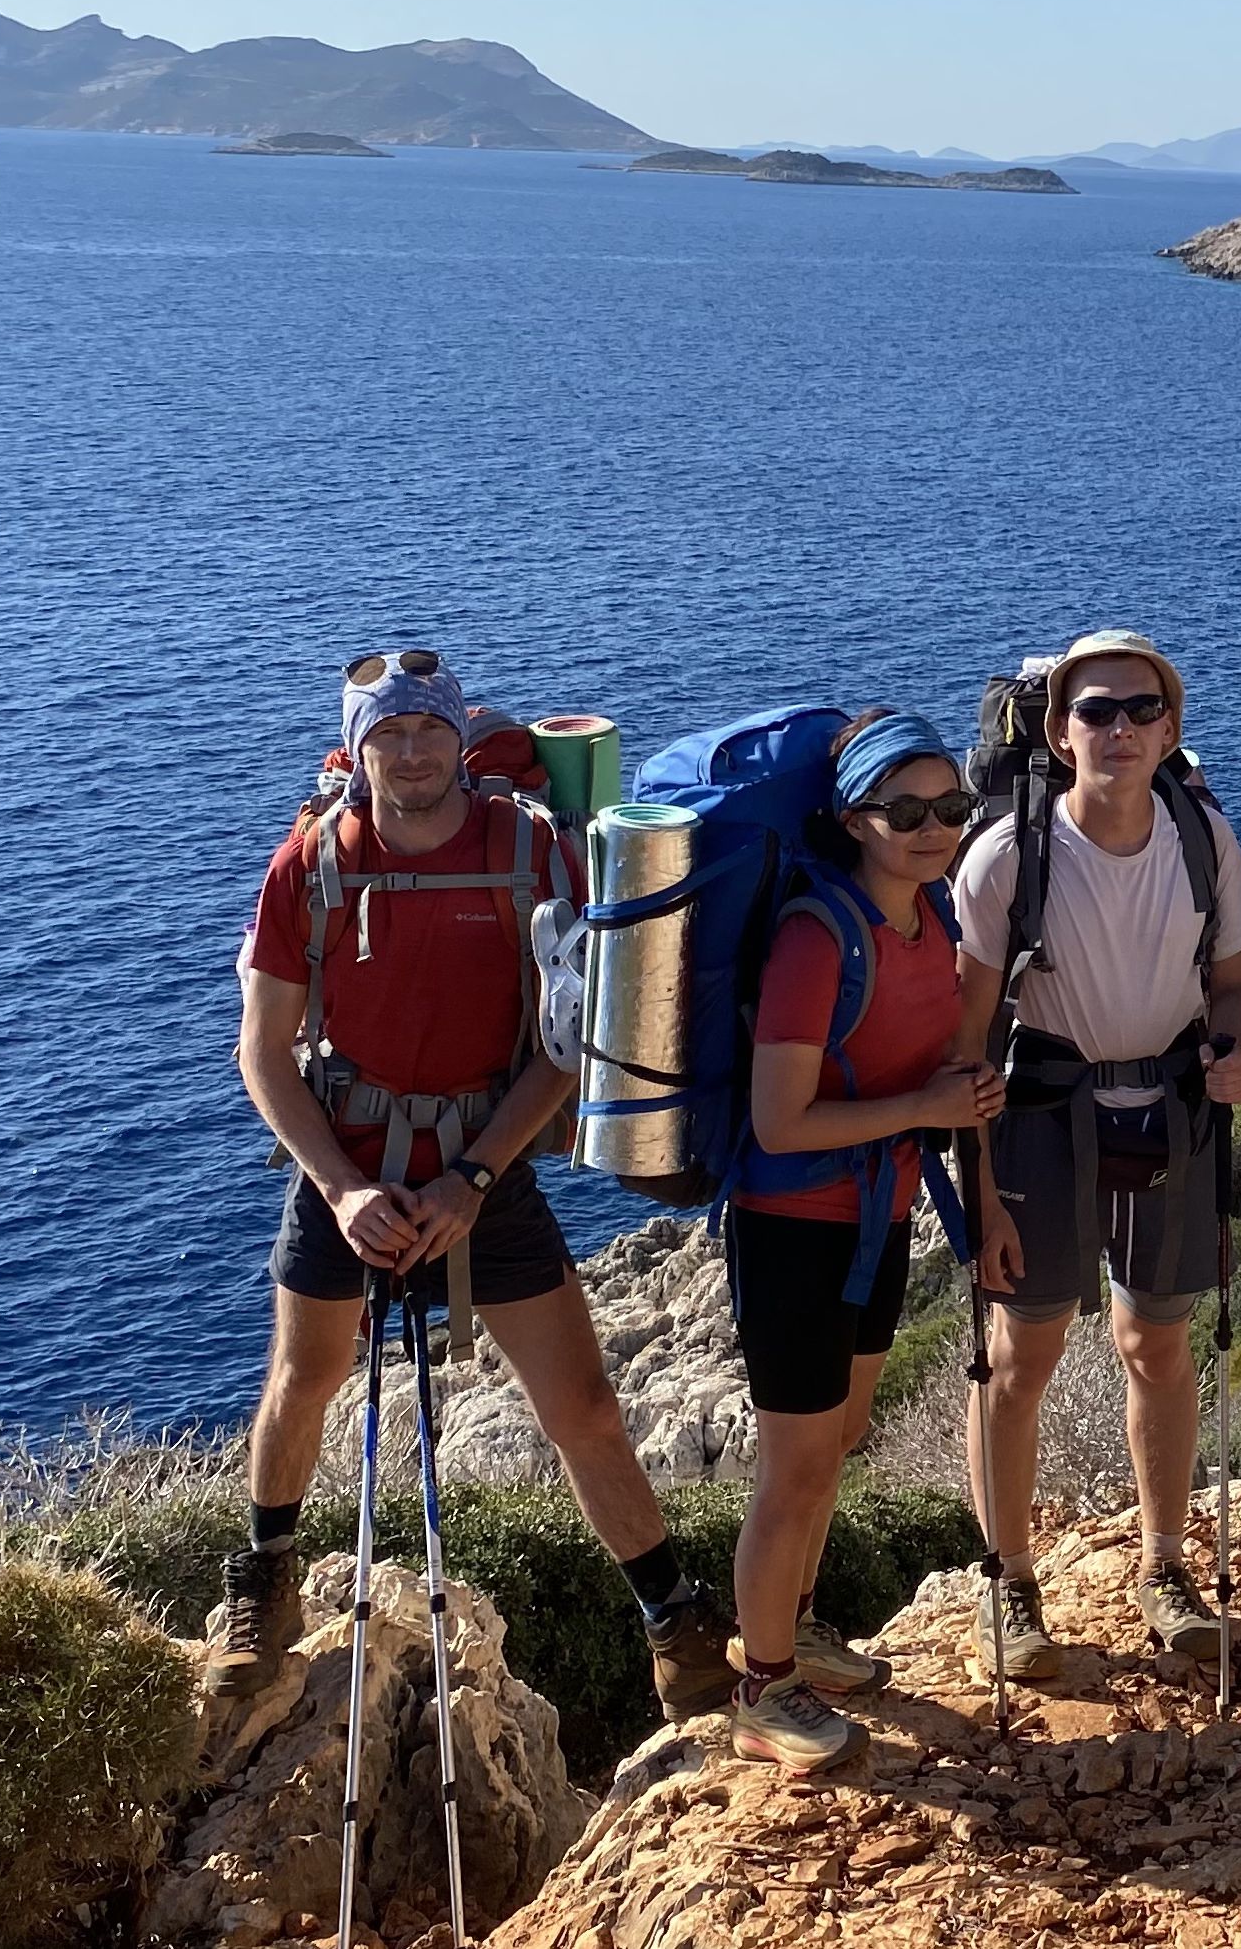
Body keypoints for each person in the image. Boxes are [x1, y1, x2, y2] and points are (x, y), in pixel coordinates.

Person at [209, 651, 735, 1719]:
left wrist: (473, 1177)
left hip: (480, 1171)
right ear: (356, 749)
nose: (410, 752)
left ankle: (675, 1624)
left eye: (428, 731)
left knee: (582, 1403)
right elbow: (261, 1052)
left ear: (460, 738)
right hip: (345, 1167)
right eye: (387, 734)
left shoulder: (532, 853)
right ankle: (261, 1583)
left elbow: (566, 1039)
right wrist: (348, 1191)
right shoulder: (307, 865)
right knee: (302, 1382)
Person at [954, 632, 1241, 1681]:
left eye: (1141, 710)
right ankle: (1008, 1581)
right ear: (1059, 730)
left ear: (1171, 731)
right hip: (1044, 1123)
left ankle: (1165, 1565)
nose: (1120, 728)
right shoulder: (1007, 856)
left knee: (1158, 1345)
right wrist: (980, 1201)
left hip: (1169, 1110)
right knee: (1021, 1354)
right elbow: (965, 1046)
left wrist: (1235, 1049)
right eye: (1096, 711)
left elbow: (1238, 988)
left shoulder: (1201, 835)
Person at [722, 710, 1004, 1776]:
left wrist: (957, 1097)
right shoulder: (814, 938)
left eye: (951, 809)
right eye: (906, 810)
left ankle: (789, 1634)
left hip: (880, 1216)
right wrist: (924, 1104)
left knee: (837, 1443)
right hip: (795, 1229)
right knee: (793, 1468)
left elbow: (919, 1073)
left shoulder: (933, 918)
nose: (934, 828)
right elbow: (778, 1121)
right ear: (855, 819)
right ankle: (761, 1689)